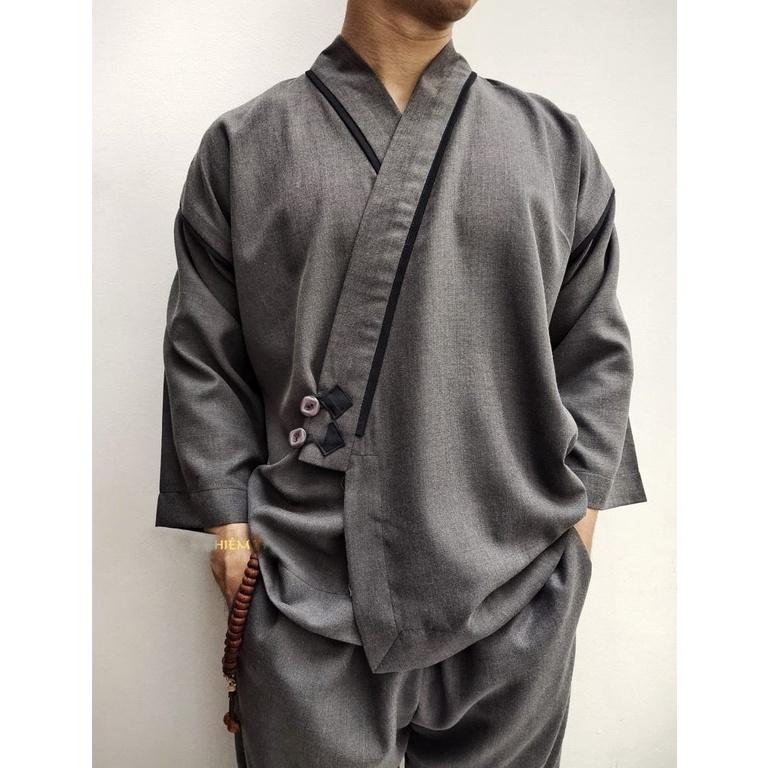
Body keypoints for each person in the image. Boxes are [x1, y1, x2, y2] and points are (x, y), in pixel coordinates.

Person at [156, 0, 646, 765]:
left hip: (518, 595)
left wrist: (573, 538)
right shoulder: (245, 147)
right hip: (303, 591)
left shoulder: (554, 147)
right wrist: (231, 535)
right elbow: (204, 356)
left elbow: (596, 351)